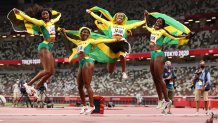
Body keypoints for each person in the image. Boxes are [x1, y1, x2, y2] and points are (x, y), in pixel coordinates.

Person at [60, 27, 121, 114]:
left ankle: (92, 106)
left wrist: (114, 39)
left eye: (87, 32)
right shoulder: (78, 42)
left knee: (87, 85)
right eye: (83, 32)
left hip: (88, 61)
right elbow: (70, 38)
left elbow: (102, 40)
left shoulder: (91, 41)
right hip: (81, 63)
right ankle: (84, 105)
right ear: (80, 33)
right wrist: (64, 32)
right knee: (79, 86)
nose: (85, 33)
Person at [144, 10, 190, 110]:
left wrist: (184, 36)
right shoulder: (152, 30)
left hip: (159, 54)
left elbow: (174, 36)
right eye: (157, 21)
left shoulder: (163, 31)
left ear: (162, 25)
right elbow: (147, 25)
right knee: (155, 79)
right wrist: (146, 16)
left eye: (160, 22)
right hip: (152, 54)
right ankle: (160, 100)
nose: (158, 22)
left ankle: (167, 100)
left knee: (159, 78)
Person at [11, 4, 61, 97]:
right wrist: (20, 13)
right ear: (41, 16)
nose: (45, 15)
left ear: (49, 15)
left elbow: (58, 17)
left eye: (46, 14)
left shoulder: (52, 21)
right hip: (44, 46)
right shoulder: (41, 23)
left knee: (51, 72)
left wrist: (58, 13)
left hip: (49, 47)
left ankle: (36, 87)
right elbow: (30, 19)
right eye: (43, 14)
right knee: (46, 70)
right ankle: (28, 84)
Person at [86, 7, 146, 79]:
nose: (120, 17)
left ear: (123, 19)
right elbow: (100, 19)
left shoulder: (126, 26)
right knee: (111, 66)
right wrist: (91, 13)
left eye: (122, 16)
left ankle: (123, 72)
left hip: (121, 42)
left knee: (122, 55)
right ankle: (109, 71)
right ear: (115, 18)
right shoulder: (110, 24)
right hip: (112, 43)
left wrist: (145, 18)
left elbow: (138, 24)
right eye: (118, 16)